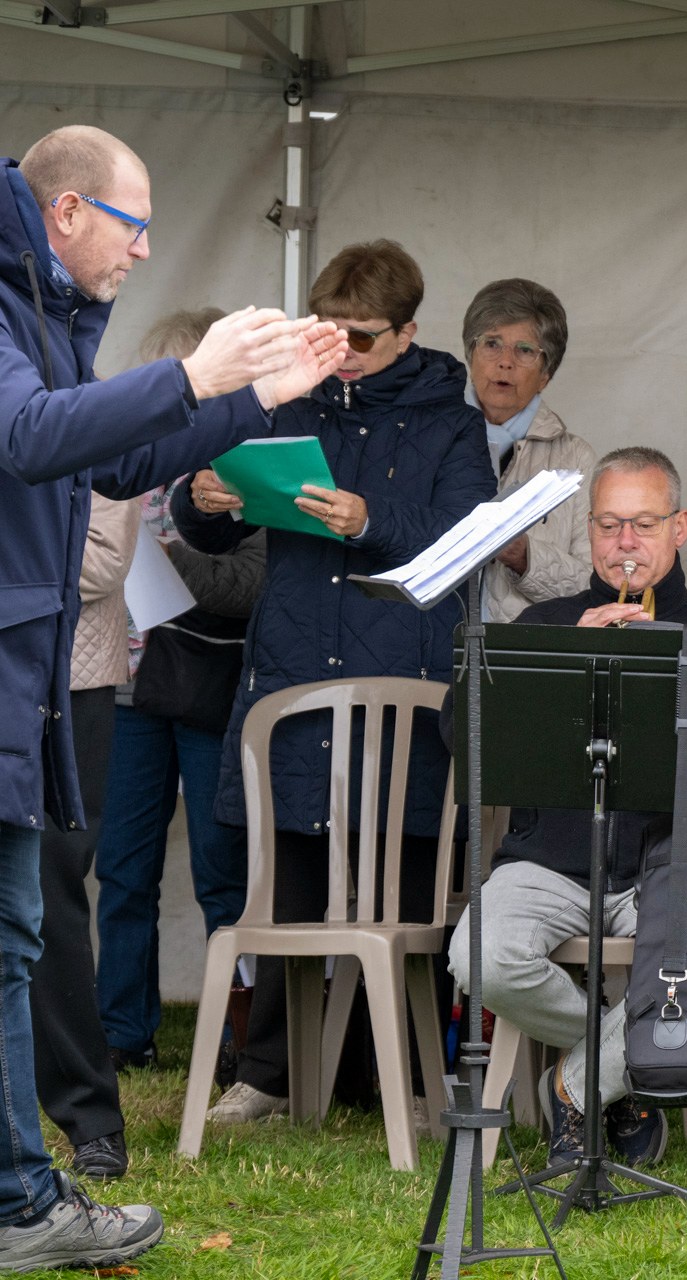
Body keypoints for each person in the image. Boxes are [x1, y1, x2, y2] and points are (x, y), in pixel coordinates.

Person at [0, 125, 345, 1269]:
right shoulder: (5, 306)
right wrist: (196, 371)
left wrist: (252, 398)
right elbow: (32, 436)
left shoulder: (42, 308)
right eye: (135, 224)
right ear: (66, 213)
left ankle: (21, 1199)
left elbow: (106, 462)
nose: (146, 251)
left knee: (12, 934)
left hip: (29, 675)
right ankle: (21, 1204)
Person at [173, 239, 494, 1126]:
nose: (340, 351)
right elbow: (210, 524)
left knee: (404, 881)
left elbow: (466, 537)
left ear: (407, 334)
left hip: (405, 677)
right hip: (296, 666)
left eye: (360, 338)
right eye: (330, 332)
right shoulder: (282, 395)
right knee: (290, 881)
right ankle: (272, 1075)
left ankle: (402, 1076)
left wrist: (370, 519)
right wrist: (197, 504)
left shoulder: (450, 419)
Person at [447, 447, 687, 1168]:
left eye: (642, 524)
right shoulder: (543, 624)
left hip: (671, 862)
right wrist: (568, 667)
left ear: (679, 528)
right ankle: (629, 1076)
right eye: (609, 525)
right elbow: (463, 731)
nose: (625, 543)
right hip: (549, 859)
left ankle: (575, 1089)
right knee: (479, 957)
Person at [92, 308, 260, 1081]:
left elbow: (251, 587)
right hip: (125, 690)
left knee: (222, 874)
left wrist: (164, 560)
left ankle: (237, 1043)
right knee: (124, 869)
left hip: (204, 689)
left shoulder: (244, 467)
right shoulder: (118, 458)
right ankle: (122, 1033)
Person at [29, 492, 137, 1183]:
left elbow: (100, 564)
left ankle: (90, 1118)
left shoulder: (95, 420)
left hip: (68, 688)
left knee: (48, 892)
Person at [464, 278, 597, 622]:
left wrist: (525, 557)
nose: (505, 362)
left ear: (545, 374)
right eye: (491, 344)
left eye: (525, 350)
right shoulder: (431, 440)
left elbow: (593, 585)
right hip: (432, 651)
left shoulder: (574, 460)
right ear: (470, 355)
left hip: (519, 654)